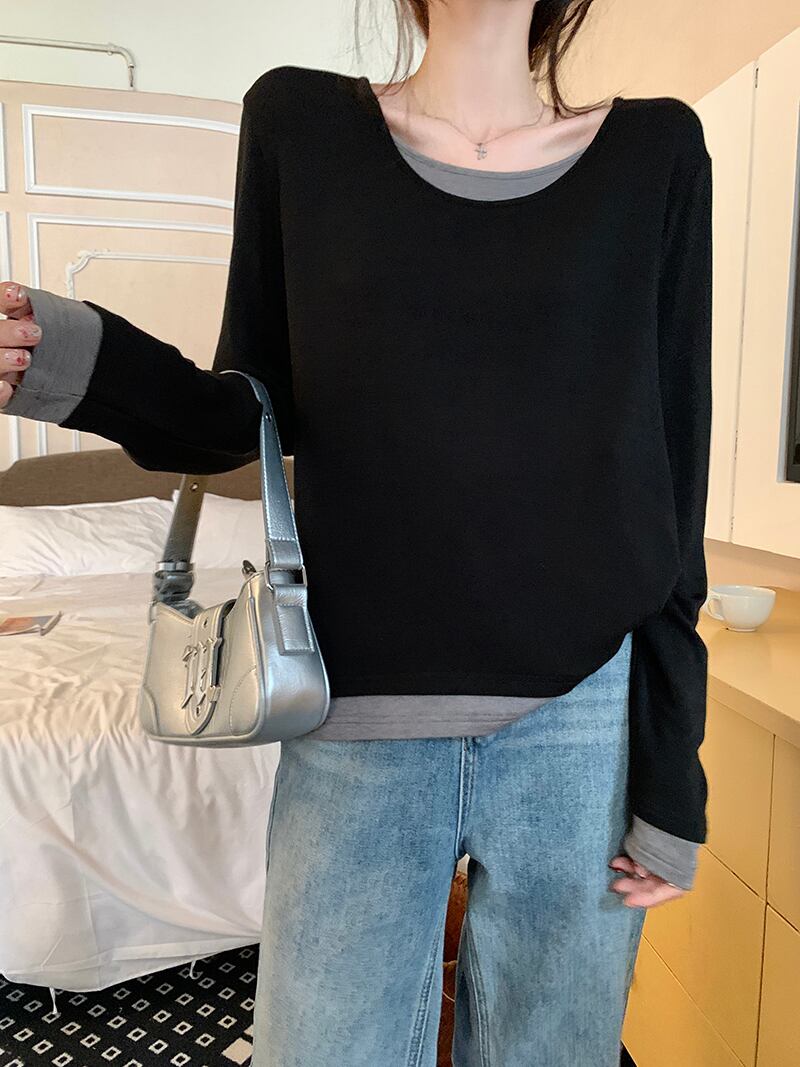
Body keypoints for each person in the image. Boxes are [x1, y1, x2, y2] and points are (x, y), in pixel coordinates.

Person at [0, 0, 713, 1062]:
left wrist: (670, 769)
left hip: (580, 719)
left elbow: (674, 473)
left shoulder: (658, 153)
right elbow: (245, 413)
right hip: (353, 711)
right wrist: (67, 357)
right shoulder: (300, 127)